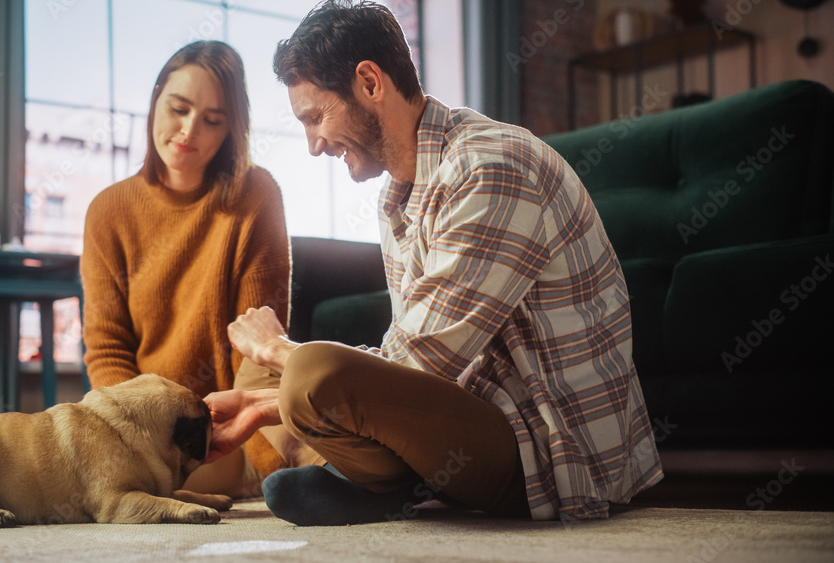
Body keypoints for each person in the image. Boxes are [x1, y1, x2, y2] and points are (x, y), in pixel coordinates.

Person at [204, 1, 663, 525]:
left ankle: (391, 484)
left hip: (548, 450)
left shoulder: (491, 166)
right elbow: (408, 358)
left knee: (305, 369)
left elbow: (416, 364)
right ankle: (398, 485)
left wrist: (277, 349)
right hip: (466, 417)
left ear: (369, 82)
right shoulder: (398, 197)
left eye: (315, 117)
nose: (313, 145)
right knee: (288, 380)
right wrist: (267, 404)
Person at [81, 40, 320, 499]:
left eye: (212, 120)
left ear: (231, 130)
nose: (189, 130)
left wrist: (241, 444)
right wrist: (142, 430)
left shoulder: (255, 194)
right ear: (155, 103)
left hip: (226, 422)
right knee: (59, 455)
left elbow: (255, 347)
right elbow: (107, 350)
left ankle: (289, 478)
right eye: (178, 108)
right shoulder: (108, 211)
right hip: (140, 420)